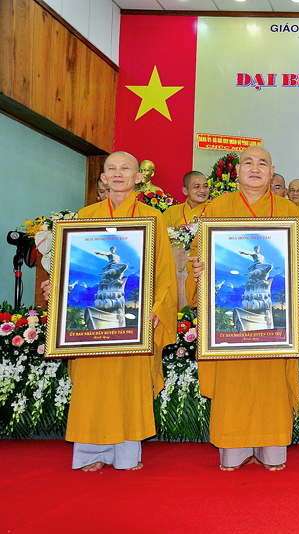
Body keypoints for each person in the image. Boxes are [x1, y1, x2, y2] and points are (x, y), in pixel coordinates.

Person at [186, 145, 299, 471]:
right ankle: (233, 450)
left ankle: (272, 449)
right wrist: (198, 269)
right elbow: (198, 254)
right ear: (237, 171)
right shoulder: (218, 208)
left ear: (271, 171)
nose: (255, 168)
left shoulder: (288, 210)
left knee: (271, 384)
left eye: (263, 163)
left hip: (274, 321)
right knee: (233, 383)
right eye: (248, 162)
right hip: (234, 318)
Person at [42, 151, 177, 471]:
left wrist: (157, 308)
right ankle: (91, 454)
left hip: (133, 320)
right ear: (103, 178)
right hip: (95, 317)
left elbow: (164, 271)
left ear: (138, 177)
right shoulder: (86, 215)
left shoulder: (152, 218)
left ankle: (126, 455)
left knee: (129, 384)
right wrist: (57, 289)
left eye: (125, 168)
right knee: (93, 385)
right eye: (112, 169)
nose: (118, 173)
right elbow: (73, 263)